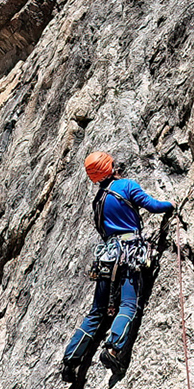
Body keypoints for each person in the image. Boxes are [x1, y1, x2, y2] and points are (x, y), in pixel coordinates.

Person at [63, 151, 174, 374]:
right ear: (110, 167)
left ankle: (70, 360)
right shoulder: (125, 186)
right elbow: (152, 205)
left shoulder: (98, 200)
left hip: (106, 256)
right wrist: (171, 204)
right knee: (129, 304)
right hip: (130, 254)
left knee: (97, 311)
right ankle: (113, 350)